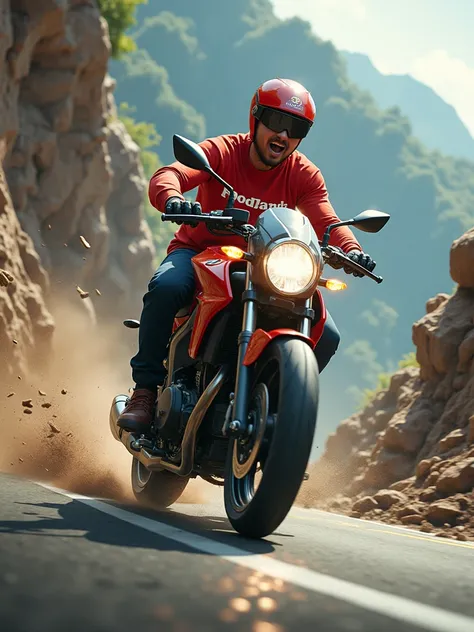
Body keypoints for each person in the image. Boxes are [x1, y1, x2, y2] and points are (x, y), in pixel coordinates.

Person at [117, 77, 376, 433]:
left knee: (327, 333)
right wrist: (172, 197)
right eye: (276, 121)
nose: (283, 135)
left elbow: (326, 220)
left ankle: (281, 415)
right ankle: (144, 391)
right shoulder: (225, 151)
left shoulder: (304, 174)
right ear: (256, 118)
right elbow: (171, 174)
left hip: (270, 268)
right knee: (166, 286)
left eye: (296, 127)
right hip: (200, 252)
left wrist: (352, 249)